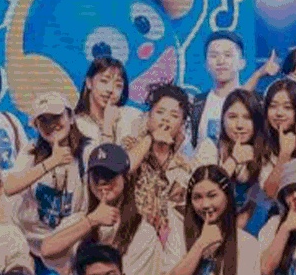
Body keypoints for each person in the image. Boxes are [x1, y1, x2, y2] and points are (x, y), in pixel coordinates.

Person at [39, 143, 174, 275]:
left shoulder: (142, 231)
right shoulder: (79, 221)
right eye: (96, 176)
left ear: (126, 178)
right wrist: (91, 221)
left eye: (109, 175)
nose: (102, 182)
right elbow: (47, 250)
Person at [166, 165, 264, 275]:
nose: (205, 204)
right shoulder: (179, 237)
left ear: (227, 196)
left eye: (212, 196)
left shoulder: (247, 243)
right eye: (197, 197)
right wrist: (201, 244)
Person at [3, 92, 86, 274]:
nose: (51, 125)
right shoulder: (32, 150)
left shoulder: (85, 152)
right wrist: (51, 162)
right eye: (43, 120)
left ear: (71, 117)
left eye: (56, 117)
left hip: (63, 247)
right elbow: (9, 187)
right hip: (26, 241)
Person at [193, 88, 269, 222]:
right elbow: (204, 194)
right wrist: (233, 161)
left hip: (249, 226)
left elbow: (262, 199)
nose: (239, 125)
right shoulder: (210, 147)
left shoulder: (264, 151)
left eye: (247, 118)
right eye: (232, 117)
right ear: (222, 119)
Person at [127, 84, 193, 227]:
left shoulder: (184, 166)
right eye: (160, 112)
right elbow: (124, 168)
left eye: (174, 115)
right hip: (131, 229)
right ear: (149, 116)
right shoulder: (131, 146)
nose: (166, 119)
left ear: (182, 124)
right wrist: (151, 138)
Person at [189, 31, 249, 150]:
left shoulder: (257, 102)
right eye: (213, 56)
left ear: (242, 63)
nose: (221, 61)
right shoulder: (196, 104)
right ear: (206, 64)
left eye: (228, 55)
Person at [76, 56, 144, 147]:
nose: (110, 89)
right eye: (104, 81)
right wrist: (107, 125)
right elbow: (104, 156)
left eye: (118, 85)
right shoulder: (77, 125)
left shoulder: (133, 117)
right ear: (89, 83)